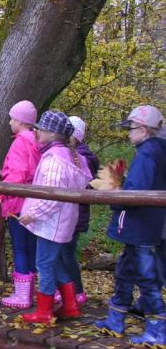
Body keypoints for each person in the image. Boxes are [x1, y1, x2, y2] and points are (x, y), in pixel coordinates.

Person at [95, 105, 166, 348]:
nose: (128, 133)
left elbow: (137, 193)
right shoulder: (153, 151)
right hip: (145, 225)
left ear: (145, 130)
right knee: (125, 271)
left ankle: (158, 330)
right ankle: (115, 319)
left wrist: (116, 190)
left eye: (131, 128)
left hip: (142, 226)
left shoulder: (148, 154)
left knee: (147, 278)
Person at [19, 111, 91, 324]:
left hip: (52, 223)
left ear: (52, 133)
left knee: (44, 265)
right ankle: (69, 305)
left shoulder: (54, 160)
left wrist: (33, 214)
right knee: (55, 262)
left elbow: (51, 196)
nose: (37, 131)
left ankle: (44, 312)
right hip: (63, 221)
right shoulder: (68, 155)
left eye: (40, 128)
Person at [0, 100, 41, 310]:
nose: (10, 122)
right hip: (34, 202)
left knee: (21, 249)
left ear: (20, 121)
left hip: (19, 204)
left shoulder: (21, 142)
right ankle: (34, 291)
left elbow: (17, 174)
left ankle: (22, 296)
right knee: (31, 248)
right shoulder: (37, 140)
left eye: (12, 118)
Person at [63, 116, 100, 305]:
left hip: (75, 213)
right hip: (73, 212)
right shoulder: (76, 154)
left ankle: (76, 291)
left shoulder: (81, 157)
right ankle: (69, 290)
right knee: (64, 253)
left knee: (66, 253)